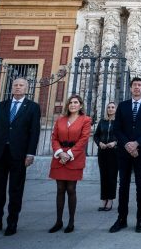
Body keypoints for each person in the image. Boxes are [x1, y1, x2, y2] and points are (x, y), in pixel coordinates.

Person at [0, 77, 41, 236]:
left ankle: (12, 223)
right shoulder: (1, 106)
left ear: (27, 88)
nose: (18, 88)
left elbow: (34, 132)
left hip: (19, 155)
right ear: (12, 88)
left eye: (21, 85)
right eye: (15, 85)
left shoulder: (32, 107)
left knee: (15, 190)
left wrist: (30, 153)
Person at [109, 77, 141, 233]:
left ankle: (140, 219)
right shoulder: (122, 106)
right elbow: (117, 129)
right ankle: (121, 218)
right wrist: (128, 144)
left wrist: (137, 143)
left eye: (139, 85)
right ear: (130, 88)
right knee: (123, 186)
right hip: (124, 151)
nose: (137, 87)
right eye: (134, 85)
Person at [48, 95, 92, 233]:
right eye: (71, 102)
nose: (73, 105)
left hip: (75, 157)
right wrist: (60, 153)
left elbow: (84, 139)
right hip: (59, 156)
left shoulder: (86, 120)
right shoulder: (60, 120)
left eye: (76, 102)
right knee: (60, 189)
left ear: (80, 105)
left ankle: (71, 221)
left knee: (71, 189)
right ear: (68, 105)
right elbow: (54, 137)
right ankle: (58, 221)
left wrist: (69, 154)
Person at [94, 102, 119, 212]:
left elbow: (122, 136)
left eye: (113, 107)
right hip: (102, 152)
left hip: (114, 152)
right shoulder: (102, 121)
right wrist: (99, 143)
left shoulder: (119, 122)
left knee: (112, 176)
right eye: (108, 107)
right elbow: (96, 135)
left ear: (116, 109)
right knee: (103, 176)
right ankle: (103, 199)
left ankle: (110, 199)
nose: (110, 109)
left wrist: (115, 143)